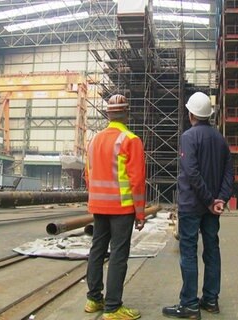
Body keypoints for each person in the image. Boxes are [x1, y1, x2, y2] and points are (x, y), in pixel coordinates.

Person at [162, 92, 234, 319]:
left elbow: (192, 173)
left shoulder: (188, 137)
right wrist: (220, 199)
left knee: (189, 252)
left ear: (191, 113)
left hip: (193, 206)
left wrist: (210, 200)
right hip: (212, 209)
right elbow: (229, 173)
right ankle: (211, 300)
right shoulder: (220, 139)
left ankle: (190, 304)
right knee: (212, 251)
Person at [84, 94, 146, 320]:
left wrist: (96, 198)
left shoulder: (94, 140)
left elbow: (88, 175)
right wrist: (140, 212)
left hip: (98, 206)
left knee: (97, 250)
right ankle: (112, 308)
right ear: (126, 114)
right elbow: (137, 181)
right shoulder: (130, 140)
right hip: (122, 208)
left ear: (108, 114)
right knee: (119, 254)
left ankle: (93, 299)